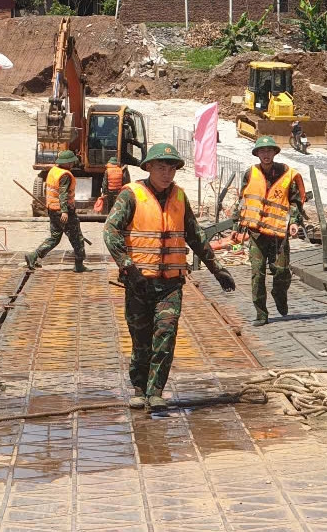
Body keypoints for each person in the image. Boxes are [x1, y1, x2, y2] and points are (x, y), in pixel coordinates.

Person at [104, 143, 236, 411]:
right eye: (161, 167)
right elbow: (111, 231)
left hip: (170, 285)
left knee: (165, 333)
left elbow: (195, 236)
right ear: (149, 167)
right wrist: (128, 266)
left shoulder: (179, 197)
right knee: (141, 340)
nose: (167, 174)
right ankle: (139, 387)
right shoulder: (131, 196)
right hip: (138, 282)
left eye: (172, 168)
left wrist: (216, 268)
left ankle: (156, 391)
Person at [233, 135, 307, 326]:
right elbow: (242, 201)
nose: (266, 154)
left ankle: (279, 293)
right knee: (257, 274)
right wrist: (236, 227)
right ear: (257, 154)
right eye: (262, 151)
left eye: (269, 151)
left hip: (278, 234)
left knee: (282, 272)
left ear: (275, 153)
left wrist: (294, 222)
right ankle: (261, 314)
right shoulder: (250, 174)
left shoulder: (287, 174)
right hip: (256, 234)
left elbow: (296, 202)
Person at [25, 150, 87, 272]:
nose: (72, 164)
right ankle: (79, 265)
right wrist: (65, 211)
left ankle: (34, 255)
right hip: (64, 212)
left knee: (54, 238)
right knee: (77, 238)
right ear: (68, 163)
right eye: (71, 162)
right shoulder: (65, 175)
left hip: (52, 210)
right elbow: (62, 194)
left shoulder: (53, 171)